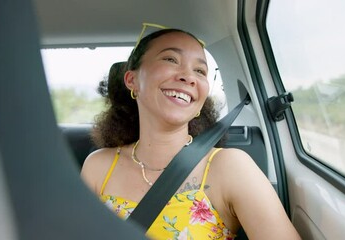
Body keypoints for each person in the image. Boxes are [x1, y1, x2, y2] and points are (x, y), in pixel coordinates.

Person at [81, 28, 301, 240]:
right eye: (170, 59)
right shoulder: (98, 166)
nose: (188, 76)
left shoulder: (231, 167)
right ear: (132, 80)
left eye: (200, 71)